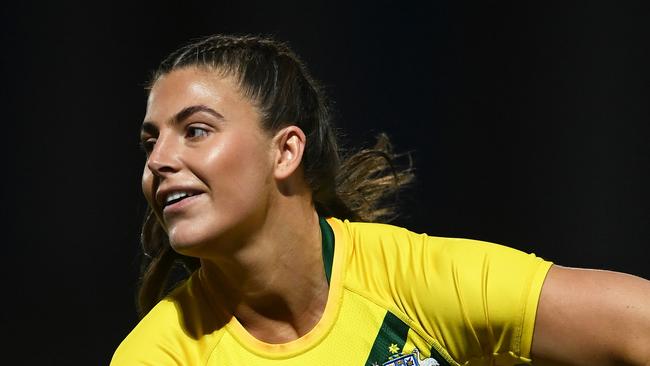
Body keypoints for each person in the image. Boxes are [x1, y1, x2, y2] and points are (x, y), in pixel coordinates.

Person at [111, 34, 650, 366]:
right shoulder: (159, 355)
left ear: (285, 152)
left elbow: (637, 327)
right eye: (150, 141)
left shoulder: (410, 279)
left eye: (196, 131)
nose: (158, 160)